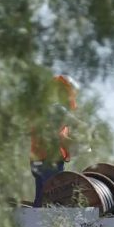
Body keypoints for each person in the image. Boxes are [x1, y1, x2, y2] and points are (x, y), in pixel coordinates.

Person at [29, 74, 89, 207]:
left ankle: (33, 225)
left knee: (41, 199)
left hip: (37, 161)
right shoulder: (56, 109)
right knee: (54, 199)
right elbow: (77, 124)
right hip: (50, 163)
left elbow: (57, 137)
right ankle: (46, 226)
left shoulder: (43, 108)